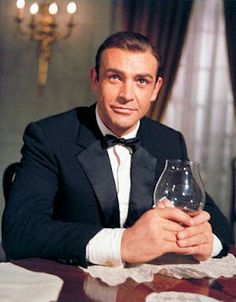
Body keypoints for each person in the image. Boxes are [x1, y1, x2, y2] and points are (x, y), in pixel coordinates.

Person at [2, 32, 231, 267]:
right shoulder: (49, 137)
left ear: (155, 88)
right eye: (115, 77)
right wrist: (123, 243)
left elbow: (219, 225)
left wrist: (204, 240)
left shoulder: (169, 141)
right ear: (95, 79)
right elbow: (20, 232)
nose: (127, 95)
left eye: (141, 81)